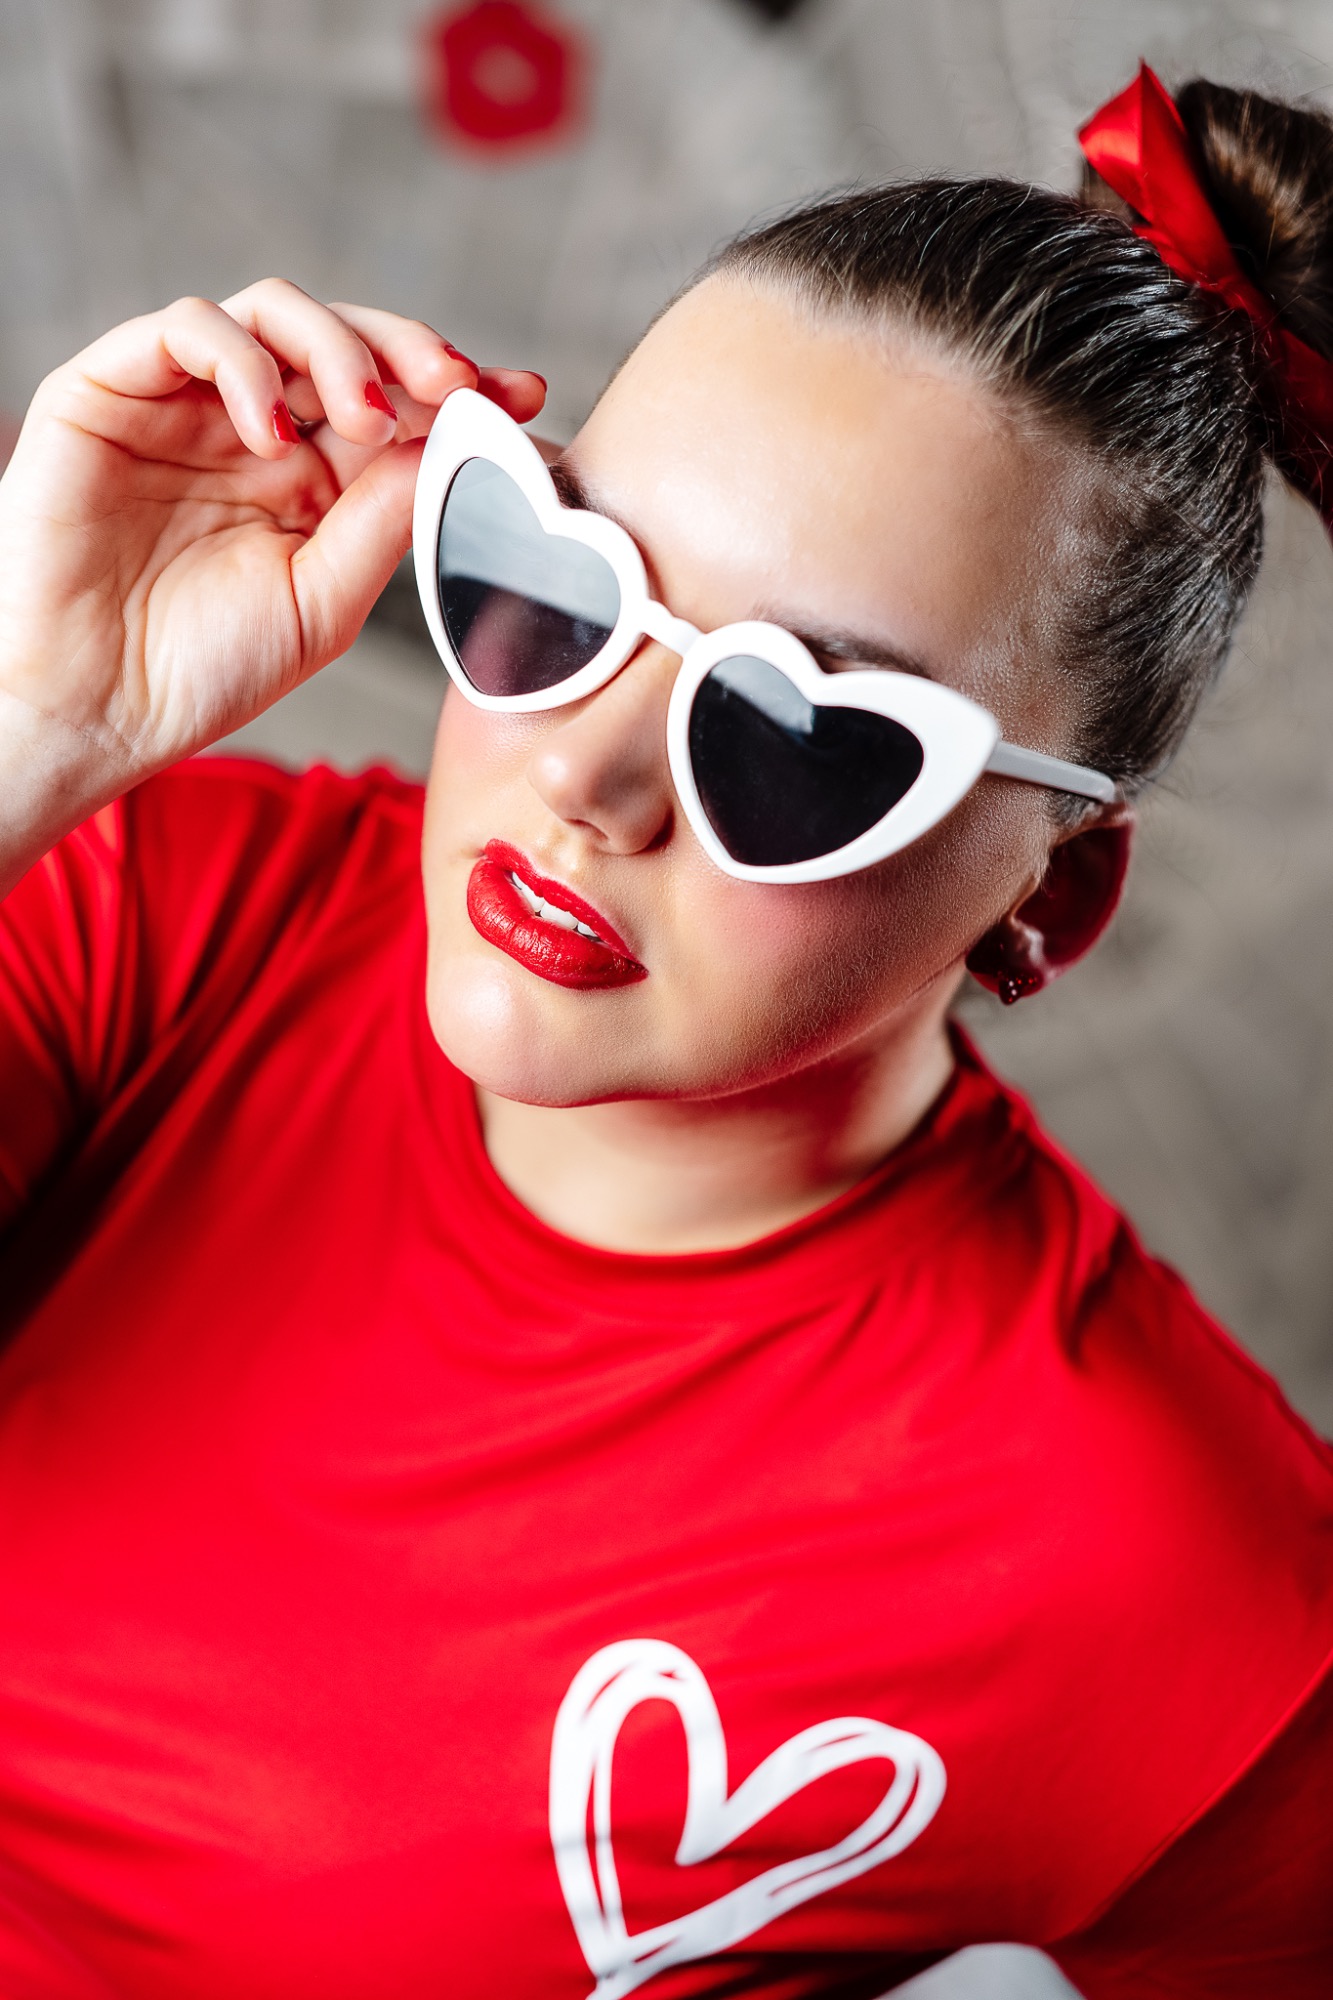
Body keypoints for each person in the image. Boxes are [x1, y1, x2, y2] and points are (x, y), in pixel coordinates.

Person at [0, 59, 1330, 2000]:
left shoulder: (1159, 1564)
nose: (585, 780)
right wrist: (31, 735)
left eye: (800, 736)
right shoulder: (154, 908)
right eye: (558, 581)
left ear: (1047, 894)